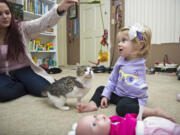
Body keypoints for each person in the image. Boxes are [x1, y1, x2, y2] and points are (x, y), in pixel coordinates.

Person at [0, 0, 78, 102]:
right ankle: (26, 86)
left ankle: (28, 83)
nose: (5, 16)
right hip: (2, 74)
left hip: (24, 69)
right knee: (4, 94)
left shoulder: (21, 28)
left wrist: (59, 9)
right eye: (0, 14)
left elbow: (41, 22)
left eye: (7, 12)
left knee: (45, 90)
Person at [77, 23, 152, 118]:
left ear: (139, 45)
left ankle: (151, 112)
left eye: (124, 40)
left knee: (121, 108)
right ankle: (92, 104)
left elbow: (141, 91)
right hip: (118, 93)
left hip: (131, 97)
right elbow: (113, 79)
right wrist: (106, 95)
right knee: (101, 89)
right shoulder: (120, 60)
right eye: (119, 41)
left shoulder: (140, 64)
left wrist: (141, 103)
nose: (119, 44)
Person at [75, 113, 180, 135]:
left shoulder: (108, 123)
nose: (98, 118)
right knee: (169, 130)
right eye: (94, 124)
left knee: (166, 124)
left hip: (146, 123)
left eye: (94, 116)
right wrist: (129, 118)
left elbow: (118, 119)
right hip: (147, 132)